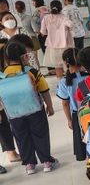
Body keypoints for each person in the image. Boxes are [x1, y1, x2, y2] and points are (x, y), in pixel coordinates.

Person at [1, 41, 57, 174]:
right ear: (25, 57)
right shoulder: (32, 72)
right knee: (40, 134)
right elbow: (44, 90)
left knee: (21, 137)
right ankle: (47, 161)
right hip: (35, 109)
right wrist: (49, 106)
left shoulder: (2, 75)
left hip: (14, 113)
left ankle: (29, 164)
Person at [55, 48, 89, 161]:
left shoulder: (64, 82)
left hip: (77, 115)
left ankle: (87, 159)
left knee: (82, 138)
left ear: (66, 62)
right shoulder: (89, 76)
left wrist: (69, 120)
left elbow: (65, 103)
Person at [40, 0, 74, 79]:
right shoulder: (64, 17)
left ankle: (60, 82)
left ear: (50, 8)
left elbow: (43, 31)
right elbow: (71, 25)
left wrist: (47, 33)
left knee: (57, 66)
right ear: (61, 8)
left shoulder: (46, 18)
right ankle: (70, 80)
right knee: (68, 64)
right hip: (65, 45)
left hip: (52, 46)